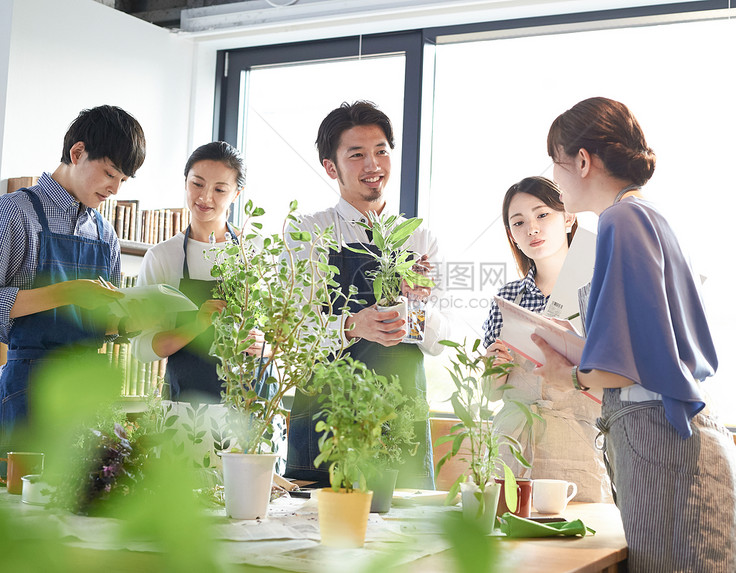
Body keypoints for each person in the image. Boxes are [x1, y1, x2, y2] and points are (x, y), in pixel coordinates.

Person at [532, 97, 736, 570]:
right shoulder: (649, 217)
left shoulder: (620, 219)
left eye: (555, 163)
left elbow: (617, 368)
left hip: (663, 445)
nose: (554, 180)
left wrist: (567, 376)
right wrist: (573, 346)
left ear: (582, 160)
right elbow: (651, 347)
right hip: (683, 438)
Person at [284, 101, 449, 489]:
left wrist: (417, 309)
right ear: (331, 167)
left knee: (404, 546)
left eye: (380, 152)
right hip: (329, 421)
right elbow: (291, 333)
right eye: (356, 154)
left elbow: (440, 343)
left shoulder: (420, 237)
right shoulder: (309, 231)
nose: (372, 164)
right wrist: (353, 325)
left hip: (402, 423)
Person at [0, 105, 146, 447]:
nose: (114, 189)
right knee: (23, 497)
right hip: (28, 390)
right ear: (77, 152)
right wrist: (70, 292)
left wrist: (131, 323)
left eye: (122, 181)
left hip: (87, 396)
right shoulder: (15, 212)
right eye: (110, 173)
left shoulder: (106, 234)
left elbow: (100, 325)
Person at [482, 176, 611, 503]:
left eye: (542, 215)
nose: (532, 229)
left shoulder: (602, 289)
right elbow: (492, 392)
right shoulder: (508, 297)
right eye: (519, 222)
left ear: (568, 218)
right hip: (512, 446)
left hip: (577, 444)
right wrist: (493, 366)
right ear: (512, 235)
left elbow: (617, 381)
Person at [131, 142, 266, 404]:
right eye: (197, 184)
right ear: (185, 182)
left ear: (236, 194)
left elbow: (288, 341)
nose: (205, 197)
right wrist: (196, 327)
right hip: (183, 416)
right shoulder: (162, 257)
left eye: (219, 189)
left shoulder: (257, 251)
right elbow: (140, 349)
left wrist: (265, 347)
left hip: (249, 411)